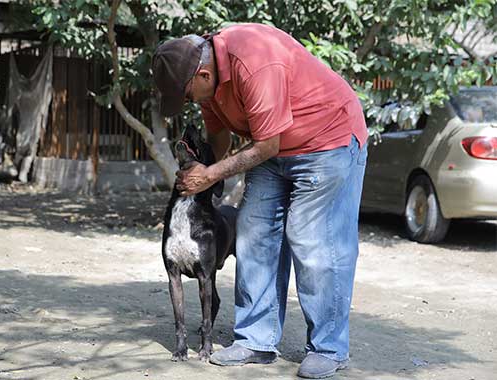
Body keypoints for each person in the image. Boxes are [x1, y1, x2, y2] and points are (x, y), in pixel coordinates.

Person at [151, 23, 368, 379]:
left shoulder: (254, 62)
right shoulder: (211, 83)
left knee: (312, 238)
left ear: (203, 73)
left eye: (189, 95)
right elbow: (218, 136)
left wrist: (212, 174)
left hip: (328, 140)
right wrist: (203, 170)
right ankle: (257, 339)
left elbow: (267, 145)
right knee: (252, 232)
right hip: (274, 146)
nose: (191, 102)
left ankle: (329, 347)